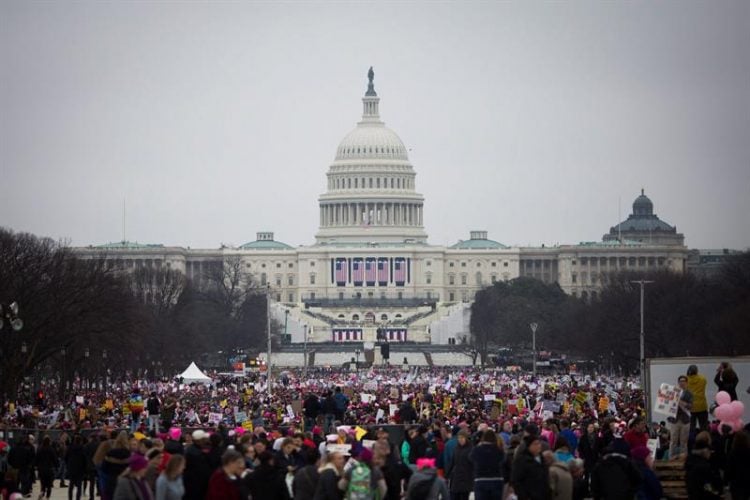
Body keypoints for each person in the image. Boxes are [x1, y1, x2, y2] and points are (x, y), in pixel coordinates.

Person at [511, 435, 550, 500]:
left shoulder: (542, 459)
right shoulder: (522, 460)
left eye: (539, 443)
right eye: (535, 444)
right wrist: (524, 496)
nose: (538, 446)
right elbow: (516, 480)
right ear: (529, 446)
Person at [685, 434, 722, 500]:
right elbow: (708, 486)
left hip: (692, 495)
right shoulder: (704, 466)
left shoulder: (690, 461)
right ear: (705, 451)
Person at [182, 430, 212, 500]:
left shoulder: (192, 449)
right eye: (204, 439)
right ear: (199, 440)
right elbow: (203, 471)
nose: (206, 440)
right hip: (195, 486)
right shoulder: (196, 453)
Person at [102, 432, 131, 500]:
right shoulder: (128, 453)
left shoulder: (111, 453)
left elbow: (104, 468)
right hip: (125, 482)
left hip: (111, 481)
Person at [669, 375, 693, 460]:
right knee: (673, 440)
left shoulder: (689, 393)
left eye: (684, 381)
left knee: (684, 441)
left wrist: (683, 403)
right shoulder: (673, 392)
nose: (682, 383)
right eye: (680, 381)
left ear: (686, 383)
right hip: (674, 420)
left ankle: (683, 459)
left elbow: (691, 406)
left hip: (685, 420)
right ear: (678, 382)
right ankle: (671, 457)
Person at [445, 429, 473, 500]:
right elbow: (452, 462)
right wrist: (447, 475)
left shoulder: (471, 448)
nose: (460, 440)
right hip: (456, 478)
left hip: (466, 478)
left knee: (464, 497)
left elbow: (474, 464)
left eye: (462, 438)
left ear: (466, 438)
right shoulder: (456, 448)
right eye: (459, 438)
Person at [725, 430, 750, 500]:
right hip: (747, 481)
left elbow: (728, 468)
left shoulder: (732, 453)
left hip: (735, 482)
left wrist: (726, 481)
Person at [686, 365, 709, 432]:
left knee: (691, 427)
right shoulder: (702, 379)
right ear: (696, 371)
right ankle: (704, 439)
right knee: (703, 426)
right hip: (702, 406)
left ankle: (692, 440)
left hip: (691, 407)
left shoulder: (686, 380)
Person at [66, 434, 88, 500]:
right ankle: (78, 498)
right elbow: (85, 459)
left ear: (74, 441)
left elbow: (66, 457)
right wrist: (85, 468)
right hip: (80, 469)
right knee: (79, 486)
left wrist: (68, 465)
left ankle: (70, 498)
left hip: (72, 468)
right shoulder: (82, 448)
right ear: (80, 441)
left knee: (71, 485)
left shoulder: (70, 447)